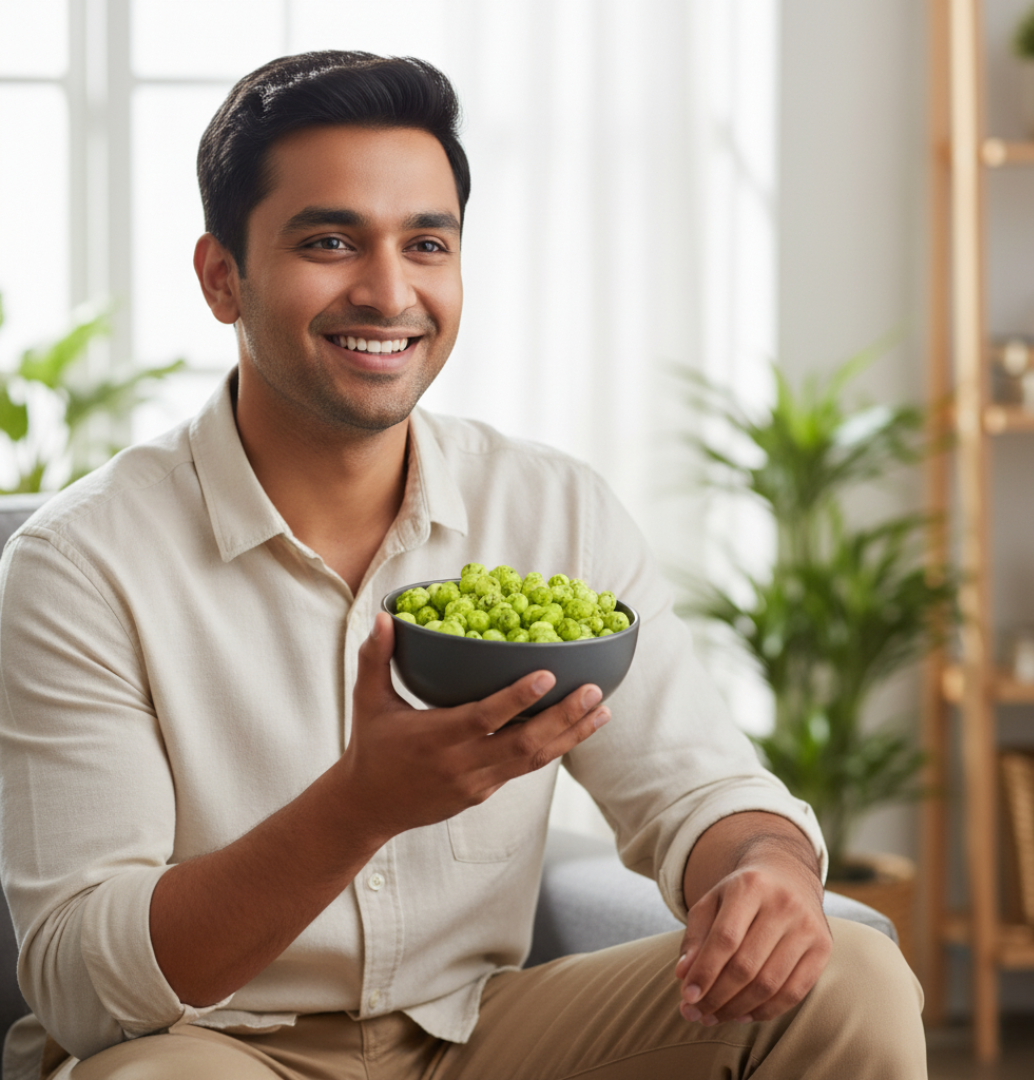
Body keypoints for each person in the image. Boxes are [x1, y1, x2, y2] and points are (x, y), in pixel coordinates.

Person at [0, 51, 925, 1079]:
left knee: (854, 972)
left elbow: (696, 788)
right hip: (208, 1046)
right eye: (330, 240)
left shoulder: (551, 513)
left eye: (426, 243)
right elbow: (82, 984)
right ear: (224, 277)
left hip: (476, 1034)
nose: (389, 291)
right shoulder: (81, 564)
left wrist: (770, 866)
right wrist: (358, 805)